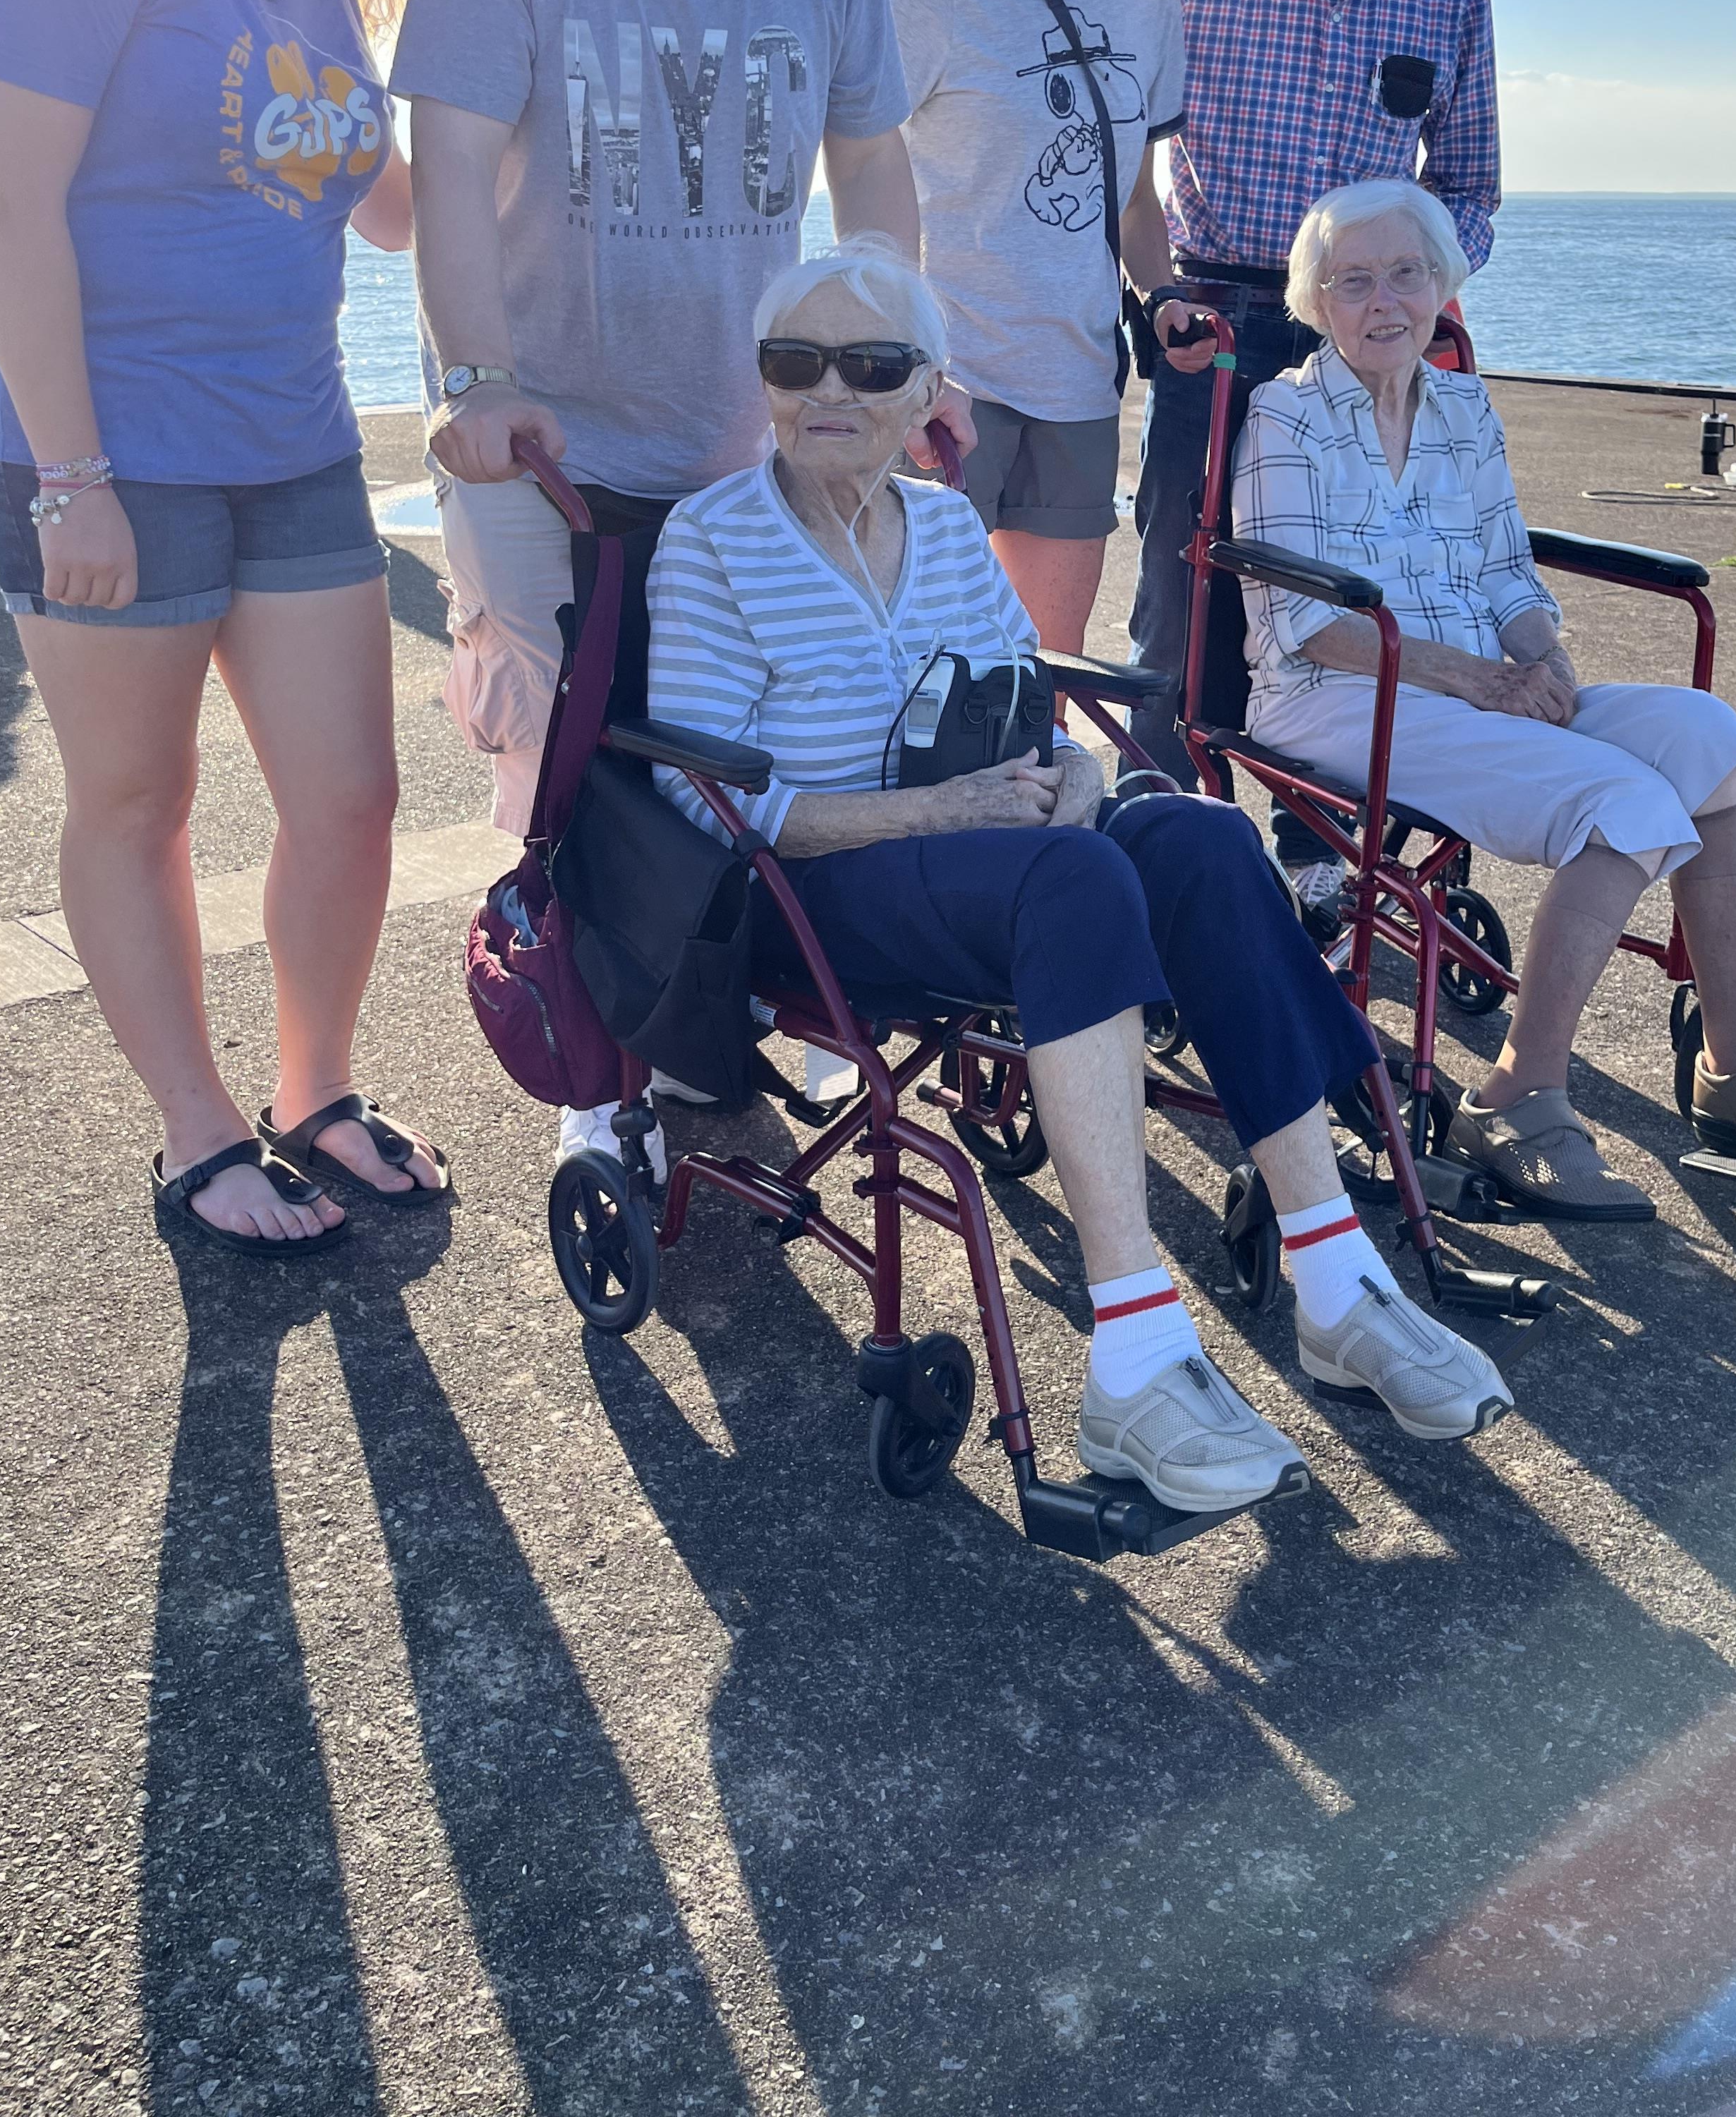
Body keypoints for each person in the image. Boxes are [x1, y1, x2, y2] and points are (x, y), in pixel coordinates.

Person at [643, 235, 1515, 1506]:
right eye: (794, 360)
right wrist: (940, 812)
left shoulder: (944, 529)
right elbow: (707, 795)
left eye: (869, 362)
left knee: (1204, 840)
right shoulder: (711, 538)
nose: (826, 388)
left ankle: (1336, 1279)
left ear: (925, 386)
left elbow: (1029, 714)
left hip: (988, 851)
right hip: (816, 894)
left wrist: (1081, 782)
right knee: (1080, 883)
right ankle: (1135, 1359)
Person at [394, 0, 962, 1150]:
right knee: (575, 760)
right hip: (547, 436)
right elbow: (444, 166)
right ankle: (600, 1075)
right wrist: (476, 381)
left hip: (754, 429)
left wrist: (903, 357)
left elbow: (873, 168)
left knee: (783, 730)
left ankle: (768, 1008)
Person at [0, 0, 454, 1257]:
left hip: (288, 438)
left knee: (353, 795)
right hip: (99, 445)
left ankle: (314, 1092)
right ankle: (197, 1132)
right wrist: (73, 477)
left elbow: (383, 205)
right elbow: (2, 200)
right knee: (138, 801)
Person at [1232, 179, 1736, 1218]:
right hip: (1338, 695)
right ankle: (1517, 1093)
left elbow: (1508, 575)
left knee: (1709, 744)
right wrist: (1485, 683)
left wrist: (1542, 661)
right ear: (1317, 302)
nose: (1384, 301)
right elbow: (1306, 623)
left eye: (1406, 273)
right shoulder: (1286, 412)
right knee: (1623, 803)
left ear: (1442, 285)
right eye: (1353, 281)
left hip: (1479, 690)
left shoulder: (1462, 406)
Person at [1131, 0, 1502, 902]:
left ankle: (1322, 860)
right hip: (1222, 310)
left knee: (1351, 584)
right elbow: (1108, 118)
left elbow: (1469, 184)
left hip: (1366, 323)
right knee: (1185, 584)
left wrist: (1413, 293)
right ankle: (1170, 835)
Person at [885, 0, 1203, 657]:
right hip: (948, 383)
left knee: (1036, 673)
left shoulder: (1152, 4)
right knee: (909, 664)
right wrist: (888, 345)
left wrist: (1165, 296)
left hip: (1077, 387)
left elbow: (1137, 201)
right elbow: (856, 152)